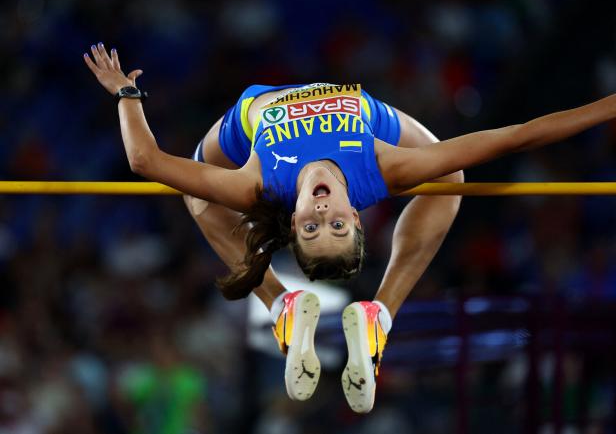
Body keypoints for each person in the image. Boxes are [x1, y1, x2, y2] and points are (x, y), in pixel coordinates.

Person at [84, 43, 616, 413]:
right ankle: (379, 313)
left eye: (313, 228)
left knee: (197, 197)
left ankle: (281, 307)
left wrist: (125, 95)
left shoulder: (256, 184)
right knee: (450, 174)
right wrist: (608, 107)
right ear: (355, 215)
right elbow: (516, 136)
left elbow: (146, 162)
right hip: (372, 120)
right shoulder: (383, 167)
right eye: (336, 223)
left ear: (293, 222)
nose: (321, 213)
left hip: (250, 114)